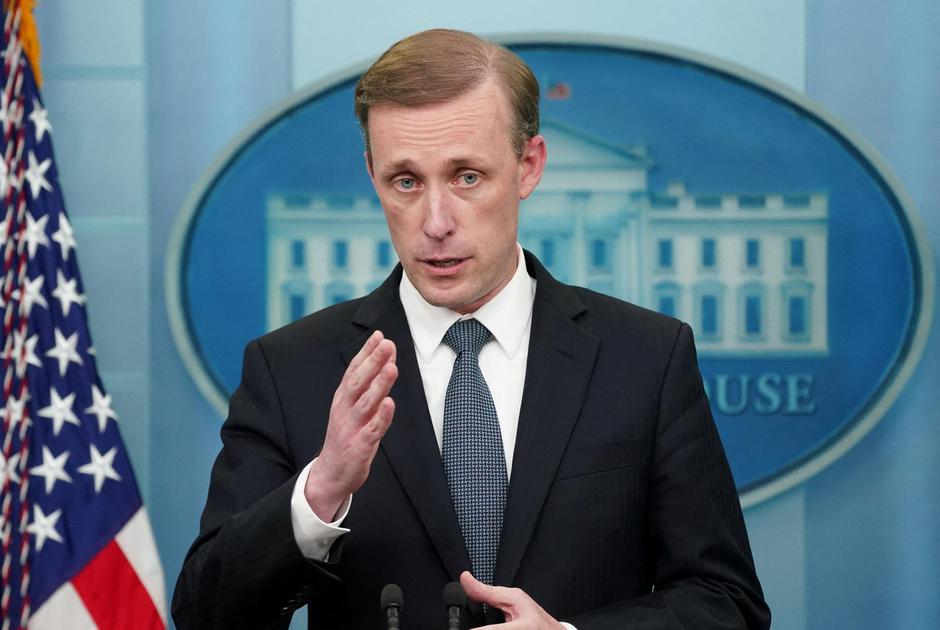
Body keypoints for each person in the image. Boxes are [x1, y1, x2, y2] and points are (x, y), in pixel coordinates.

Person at [172, 28, 770, 630]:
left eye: (466, 177)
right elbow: (204, 615)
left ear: (528, 166)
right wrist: (320, 491)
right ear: (373, 175)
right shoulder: (293, 368)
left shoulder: (646, 358)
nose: (435, 223)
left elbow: (728, 604)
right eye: (405, 181)